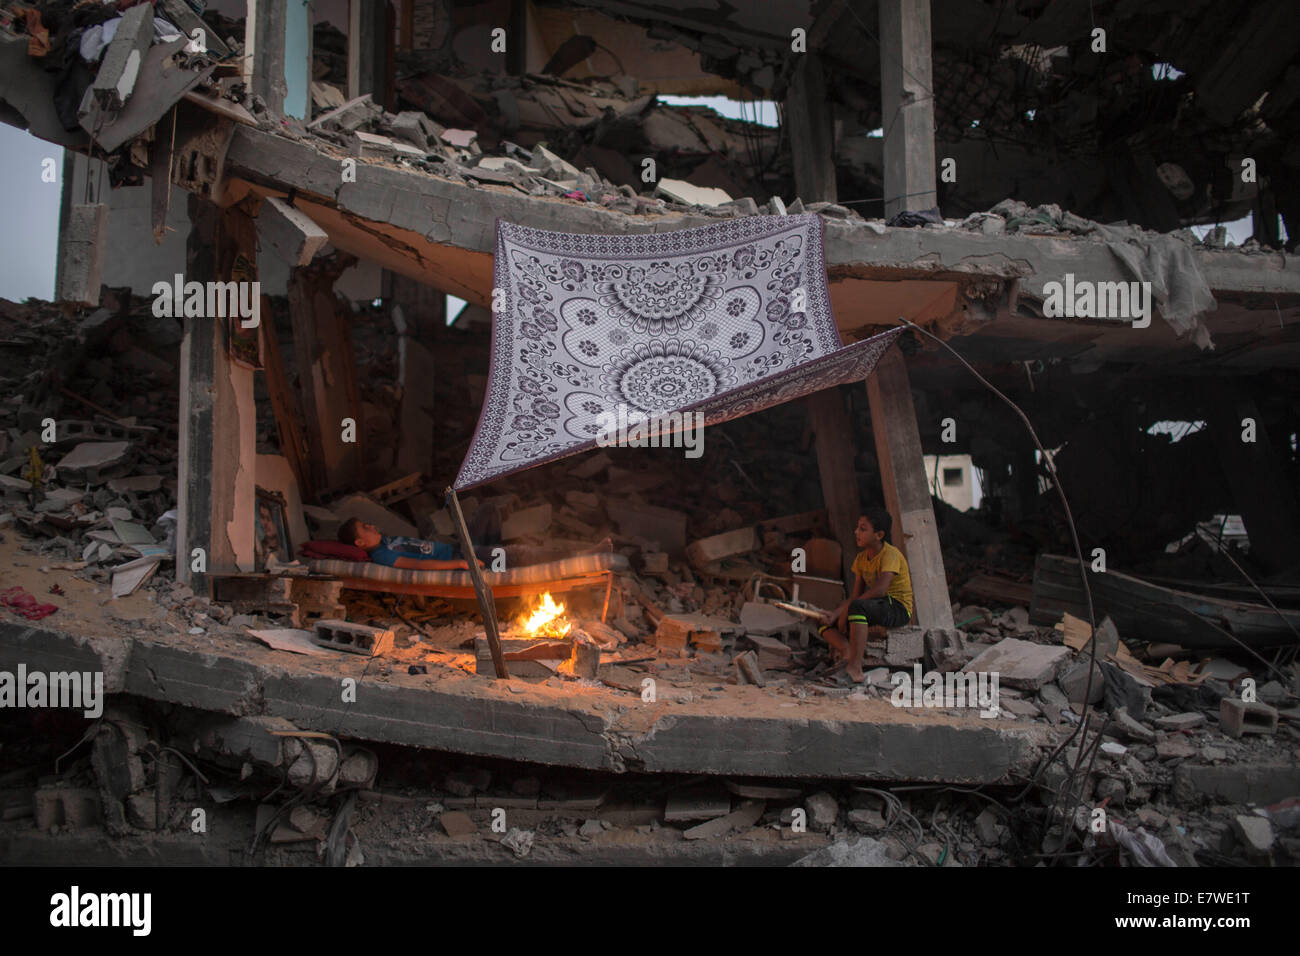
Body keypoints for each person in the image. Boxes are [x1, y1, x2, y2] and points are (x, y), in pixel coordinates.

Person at [817, 507, 913, 682]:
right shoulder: (861, 559)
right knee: (823, 620)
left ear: (879, 535)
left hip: (896, 608)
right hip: (874, 606)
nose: (856, 532)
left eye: (862, 529)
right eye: (857, 528)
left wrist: (848, 611)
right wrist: (835, 614)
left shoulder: (890, 554)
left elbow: (880, 590)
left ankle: (855, 669)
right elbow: (855, 596)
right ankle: (846, 650)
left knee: (857, 608)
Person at [338, 518, 486, 570]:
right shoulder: (381, 555)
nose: (370, 526)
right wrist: (460, 563)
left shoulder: (385, 541)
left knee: (488, 512)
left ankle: (492, 550)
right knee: (505, 555)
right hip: (456, 556)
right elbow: (419, 565)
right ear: (360, 542)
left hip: (458, 547)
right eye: (365, 527)